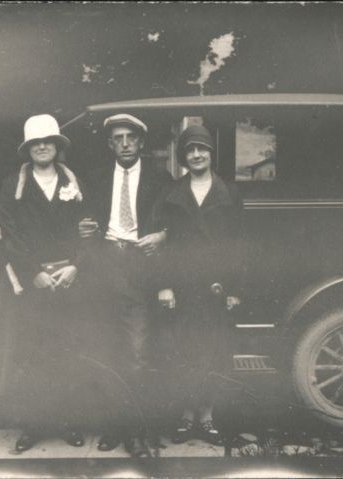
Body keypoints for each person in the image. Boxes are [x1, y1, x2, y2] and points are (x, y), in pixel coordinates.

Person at [78, 113, 173, 457]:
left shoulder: (160, 179)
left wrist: (162, 236)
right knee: (105, 350)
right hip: (104, 268)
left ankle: (135, 432)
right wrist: (84, 232)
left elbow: (176, 222)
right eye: (118, 138)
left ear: (141, 142)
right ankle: (113, 427)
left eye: (131, 137)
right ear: (110, 144)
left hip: (139, 269)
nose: (125, 144)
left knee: (136, 352)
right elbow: (85, 222)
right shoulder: (96, 178)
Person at [0, 114, 89, 454]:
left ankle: (68, 422)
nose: (42, 146)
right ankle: (33, 426)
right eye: (35, 142)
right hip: (33, 282)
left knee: (68, 351)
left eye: (48, 140)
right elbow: (10, 234)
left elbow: (88, 230)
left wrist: (76, 267)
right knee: (32, 353)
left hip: (68, 281)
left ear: (57, 145)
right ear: (28, 149)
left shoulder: (74, 182)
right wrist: (32, 272)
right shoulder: (14, 185)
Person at [156, 124, 244, 446]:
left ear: (210, 153)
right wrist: (164, 285)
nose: (196, 155)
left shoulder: (229, 192)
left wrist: (235, 288)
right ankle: (185, 416)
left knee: (213, 350)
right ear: (182, 157)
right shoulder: (171, 193)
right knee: (181, 349)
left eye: (201, 149)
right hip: (181, 286)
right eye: (189, 150)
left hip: (215, 286)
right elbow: (163, 243)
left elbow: (238, 244)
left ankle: (207, 417)